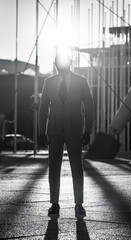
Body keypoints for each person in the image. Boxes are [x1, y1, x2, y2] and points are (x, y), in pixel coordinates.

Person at [38, 52, 93, 218]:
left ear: (69, 63)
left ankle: (79, 204)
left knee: (77, 167)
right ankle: (54, 204)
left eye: (63, 62)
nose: (60, 65)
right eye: (57, 62)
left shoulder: (81, 81)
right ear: (55, 64)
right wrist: (41, 131)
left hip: (75, 130)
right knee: (54, 167)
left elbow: (89, 107)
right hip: (54, 130)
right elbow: (42, 109)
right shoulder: (48, 82)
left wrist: (88, 130)